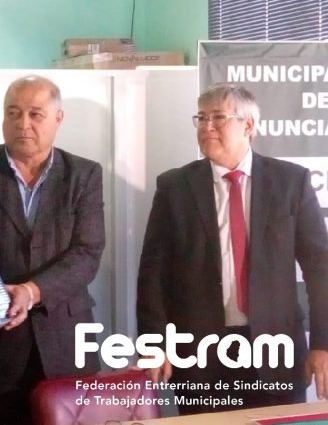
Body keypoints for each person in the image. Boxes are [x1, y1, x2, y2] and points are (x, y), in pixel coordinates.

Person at [137, 83, 328, 415]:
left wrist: (323, 344)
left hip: (276, 350)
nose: (206, 126)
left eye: (217, 117)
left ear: (248, 125)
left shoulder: (290, 182)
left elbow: (320, 269)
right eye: (201, 118)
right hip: (199, 352)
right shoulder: (174, 186)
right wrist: (153, 343)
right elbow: (153, 274)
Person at [0, 75, 106, 424]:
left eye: (35, 114)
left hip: (65, 338)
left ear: (58, 118)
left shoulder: (84, 174)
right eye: (13, 113)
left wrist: (32, 291)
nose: (23, 124)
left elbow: (88, 252)